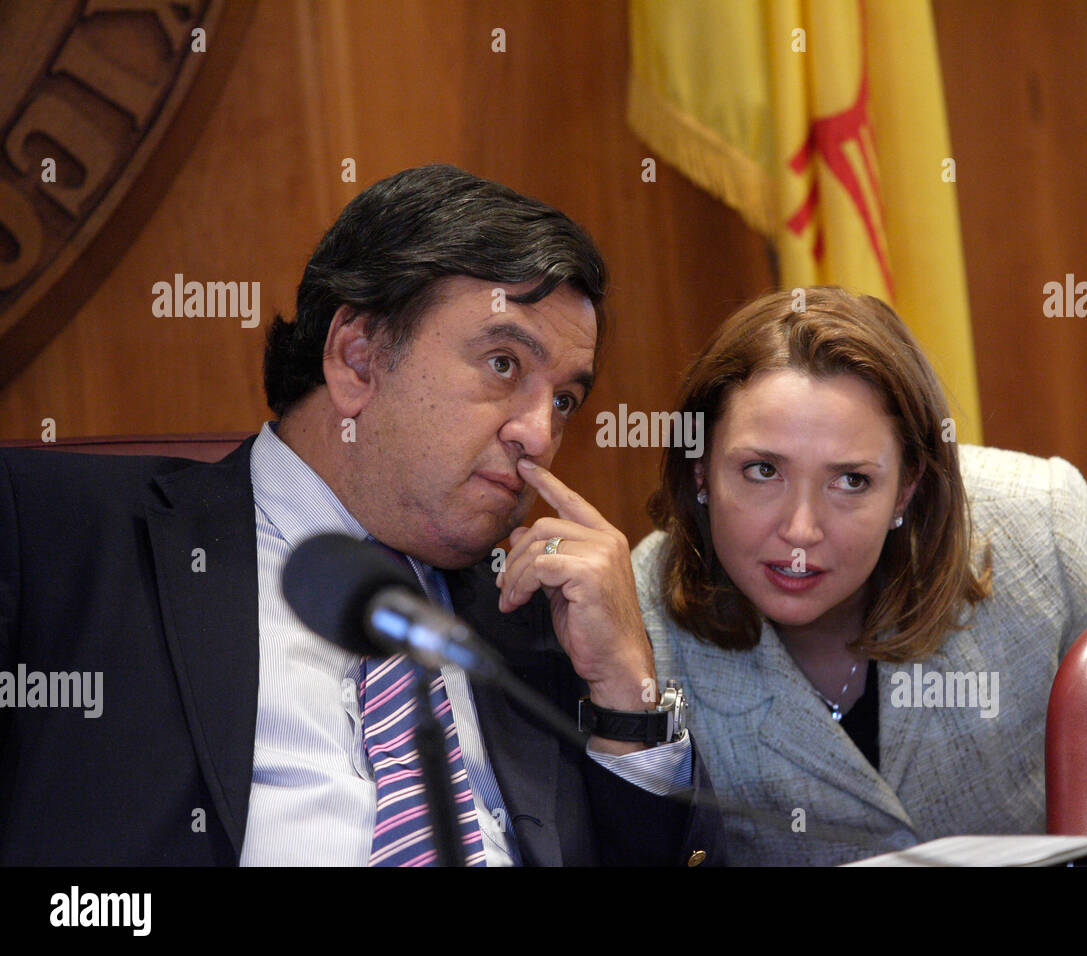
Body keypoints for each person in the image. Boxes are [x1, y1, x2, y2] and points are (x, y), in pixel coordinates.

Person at [0, 163, 721, 866]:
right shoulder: (55, 535)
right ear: (357, 358)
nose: (539, 432)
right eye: (503, 364)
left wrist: (627, 695)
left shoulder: (542, 616)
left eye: (564, 399)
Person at [632, 286, 1087, 865]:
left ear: (906, 487)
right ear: (700, 470)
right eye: (762, 470)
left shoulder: (1043, 526)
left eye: (851, 480)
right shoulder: (640, 622)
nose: (802, 530)